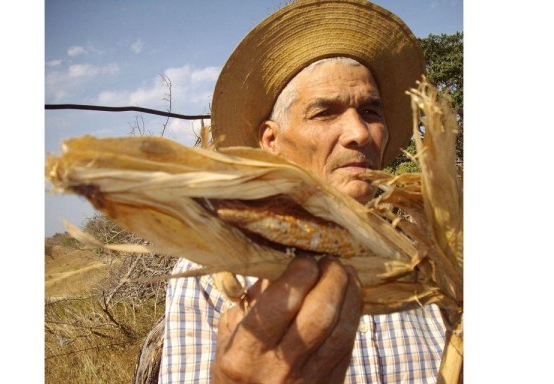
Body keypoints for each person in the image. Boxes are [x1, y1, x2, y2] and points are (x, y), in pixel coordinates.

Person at [158, 1, 446, 383]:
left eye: (371, 111)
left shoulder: (425, 250)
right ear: (271, 141)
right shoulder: (211, 275)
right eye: (325, 112)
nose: (360, 132)